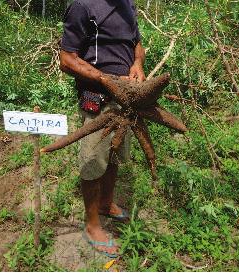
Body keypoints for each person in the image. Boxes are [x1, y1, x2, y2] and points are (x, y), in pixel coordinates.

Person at [59, 0, 146, 257]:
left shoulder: (127, 5)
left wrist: (137, 65)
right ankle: (92, 224)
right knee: (93, 161)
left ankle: (107, 203)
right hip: (97, 100)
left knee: (115, 155)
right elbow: (66, 59)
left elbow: (137, 45)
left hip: (125, 100)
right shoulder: (83, 6)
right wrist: (105, 79)